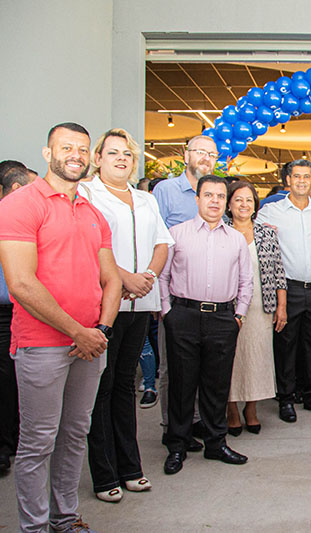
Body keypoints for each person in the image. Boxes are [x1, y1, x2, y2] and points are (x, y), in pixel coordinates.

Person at [0, 122, 122, 533]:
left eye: (83, 149)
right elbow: (21, 283)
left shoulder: (93, 213)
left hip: (90, 344)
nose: (76, 155)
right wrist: (78, 331)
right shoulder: (21, 205)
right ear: (47, 153)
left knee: (74, 435)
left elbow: (112, 279)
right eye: (66, 147)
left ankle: (65, 520)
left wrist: (100, 330)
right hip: (42, 346)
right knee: (37, 443)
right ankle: (34, 528)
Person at [80, 129, 173, 502]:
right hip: (105, 304)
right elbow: (87, 247)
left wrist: (146, 277)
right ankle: (104, 475)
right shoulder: (87, 194)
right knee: (99, 390)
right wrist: (125, 279)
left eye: (128, 154)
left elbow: (162, 242)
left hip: (141, 303)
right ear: (98, 158)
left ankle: (130, 467)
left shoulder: (145, 198)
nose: (121, 159)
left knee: (123, 386)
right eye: (113, 152)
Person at [159, 175, 253, 475]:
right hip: (183, 317)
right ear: (197, 199)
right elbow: (161, 276)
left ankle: (216, 443)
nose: (214, 201)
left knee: (217, 386)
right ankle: (177, 445)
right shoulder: (177, 233)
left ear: (226, 202)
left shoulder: (236, 239)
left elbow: (245, 282)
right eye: (208, 195)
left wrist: (238, 315)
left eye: (220, 196)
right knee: (182, 385)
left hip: (223, 319)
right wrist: (166, 313)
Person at [152, 135, 219, 449]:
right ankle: (171, 427)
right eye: (200, 152)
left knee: (201, 366)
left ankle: (193, 421)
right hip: (177, 299)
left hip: (209, 301)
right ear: (186, 154)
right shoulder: (166, 191)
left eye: (212, 154)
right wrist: (161, 302)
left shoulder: (217, 192)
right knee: (172, 368)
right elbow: (157, 243)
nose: (205, 158)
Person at [256, 159, 311, 422]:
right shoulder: (270, 212)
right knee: (285, 344)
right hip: (286, 290)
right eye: (296, 176)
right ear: (288, 180)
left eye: (307, 177)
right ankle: (286, 398)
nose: (302, 181)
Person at [224, 181, 287, 434]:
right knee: (232, 358)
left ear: (255, 205)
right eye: (238, 199)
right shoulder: (221, 231)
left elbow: (279, 273)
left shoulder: (266, 233)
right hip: (227, 306)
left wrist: (281, 306)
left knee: (256, 357)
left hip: (262, 306)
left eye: (249, 200)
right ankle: (231, 409)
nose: (244, 204)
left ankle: (251, 408)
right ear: (229, 204)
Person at [0, 161, 37, 473]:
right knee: (7, 379)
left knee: (14, 378)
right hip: (8, 310)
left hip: (25, 310)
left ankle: (10, 440)